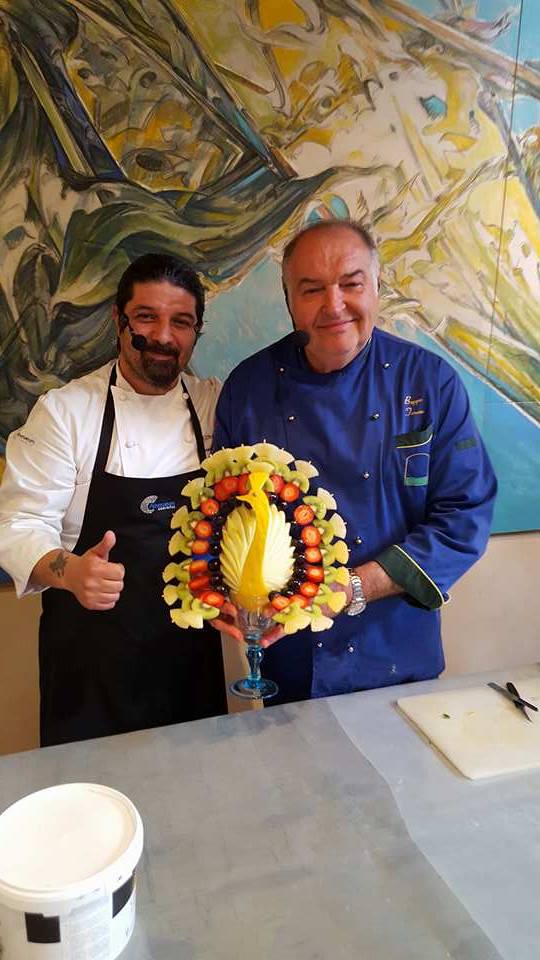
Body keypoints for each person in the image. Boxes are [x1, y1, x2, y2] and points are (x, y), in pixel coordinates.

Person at [213, 220, 497, 704]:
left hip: (399, 654)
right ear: (288, 299)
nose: (334, 305)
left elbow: (464, 518)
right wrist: (229, 591)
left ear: (377, 287)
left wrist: (352, 587)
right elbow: (225, 514)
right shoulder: (248, 388)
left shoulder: (429, 382)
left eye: (351, 284)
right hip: (292, 658)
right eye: (312, 289)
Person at [0, 254, 229, 745]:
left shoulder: (213, 405)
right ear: (118, 319)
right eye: (146, 317)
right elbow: (16, 525)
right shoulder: (65, 413)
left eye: (181, 322)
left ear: (196, 331)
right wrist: (70, 570)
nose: (164, 336)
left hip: (190, 662)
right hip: (90, 671)